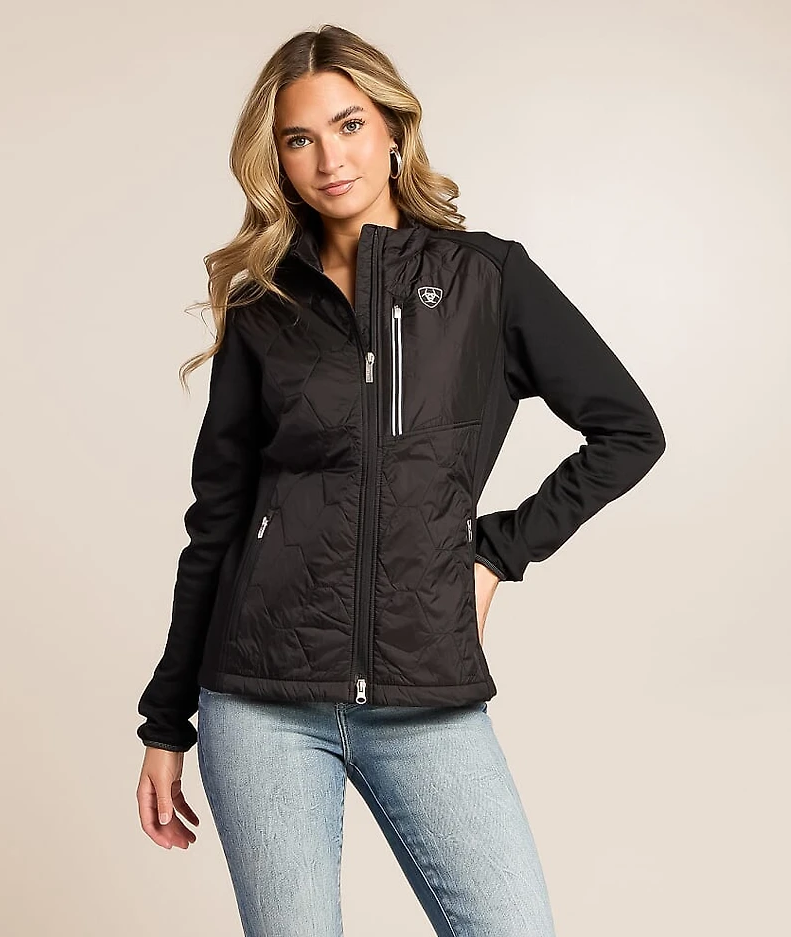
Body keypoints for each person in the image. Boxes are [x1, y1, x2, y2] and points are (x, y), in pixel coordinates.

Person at [135, 24, 665, 937]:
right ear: (277, 160)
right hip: (259, 697)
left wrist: (497, 553)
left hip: (426, 689)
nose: (329, 158)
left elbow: (629, 430)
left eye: (349, 125)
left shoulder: (485, 280)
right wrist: (164, 721)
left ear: (392, 129)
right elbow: (215, 518)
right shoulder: (266, 306)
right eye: (299, 139)